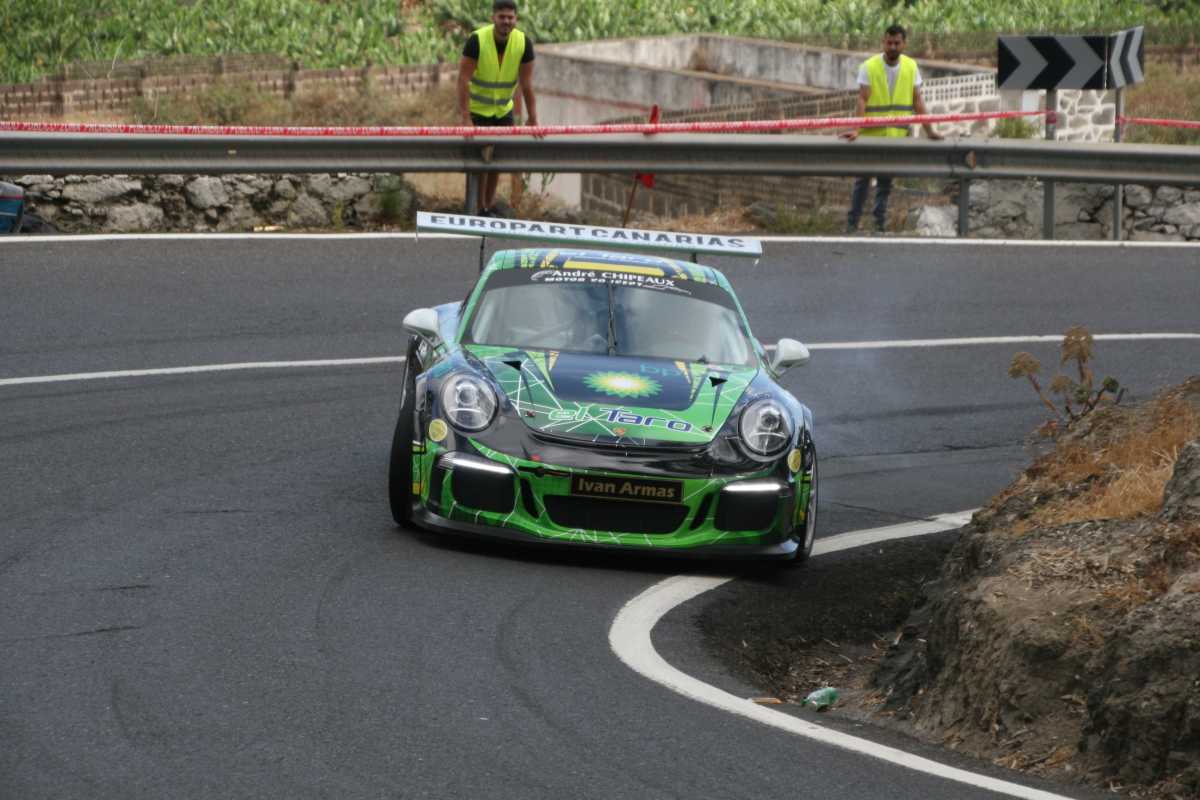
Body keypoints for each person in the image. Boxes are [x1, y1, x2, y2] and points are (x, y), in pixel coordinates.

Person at [841, 25, 942, 233]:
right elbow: (862, 99)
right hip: (871, 136)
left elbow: (917, 101)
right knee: (863, 181)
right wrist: (856, 129)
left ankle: (878, 225)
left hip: (895, 136)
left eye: (897, 43)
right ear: (883, 42)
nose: (893, 47)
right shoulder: (869, 66)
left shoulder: (911, 67)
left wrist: (930, 131)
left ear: (904, 44)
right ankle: (852, 224)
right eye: (889, 43)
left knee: (885, 184)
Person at [457, 0, 540, 217]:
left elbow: (527, 85)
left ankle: (487, 205)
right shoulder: (477, 40)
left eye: (510, 17)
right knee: (480, 161)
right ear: (493, 17)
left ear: (516, 19)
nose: (506, 21)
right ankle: (477, 208)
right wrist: (465, 118)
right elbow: (463, 80)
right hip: (478, 110)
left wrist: (533, 118)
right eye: (502, 17)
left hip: (503, 110)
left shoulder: (523, 43)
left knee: (497, 160)